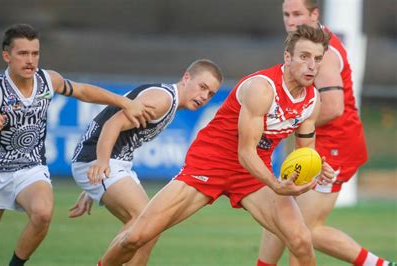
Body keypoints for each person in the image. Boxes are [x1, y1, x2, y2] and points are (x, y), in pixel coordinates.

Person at [95, 24, 336, 266]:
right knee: (137, 237)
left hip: (251, 172)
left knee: (301, 241)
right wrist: (275, 184)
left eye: (317, 58)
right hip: (211, 162)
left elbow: (305, 153)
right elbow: (245, 152)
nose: (311, 65)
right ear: (287, 57)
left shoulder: (312, 101)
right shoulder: (262, 89)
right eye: (304, 56)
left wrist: (317, 167)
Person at [0, 23, 154, 266]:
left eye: (35, 53)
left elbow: (83, 91)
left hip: (31, 169)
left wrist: (123, 102)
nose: (30, 60)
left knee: (43, 213)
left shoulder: (47, 81)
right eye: (22, 53)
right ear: (7, 56)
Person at [257, 1, 395, 265]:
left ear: (314, 14)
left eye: (298, 14)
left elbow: (332, 107)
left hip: (336, 146)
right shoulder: (302, 45)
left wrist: (286, 122)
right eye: (286, 14)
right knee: (280, 210)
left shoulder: (325, 52)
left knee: (302, 232)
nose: (291, 20)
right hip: (316, 143)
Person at [68, 59, 224, 266]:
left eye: (211, 94)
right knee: (144, 221)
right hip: (99, 159)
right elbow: (111, 124)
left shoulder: (170, 102)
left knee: (149, 229)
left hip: (112, 162)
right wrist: (100, 164)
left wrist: (93, 187)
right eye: (202, 87)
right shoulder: (162, 100)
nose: (204, 96)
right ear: (186, 78)